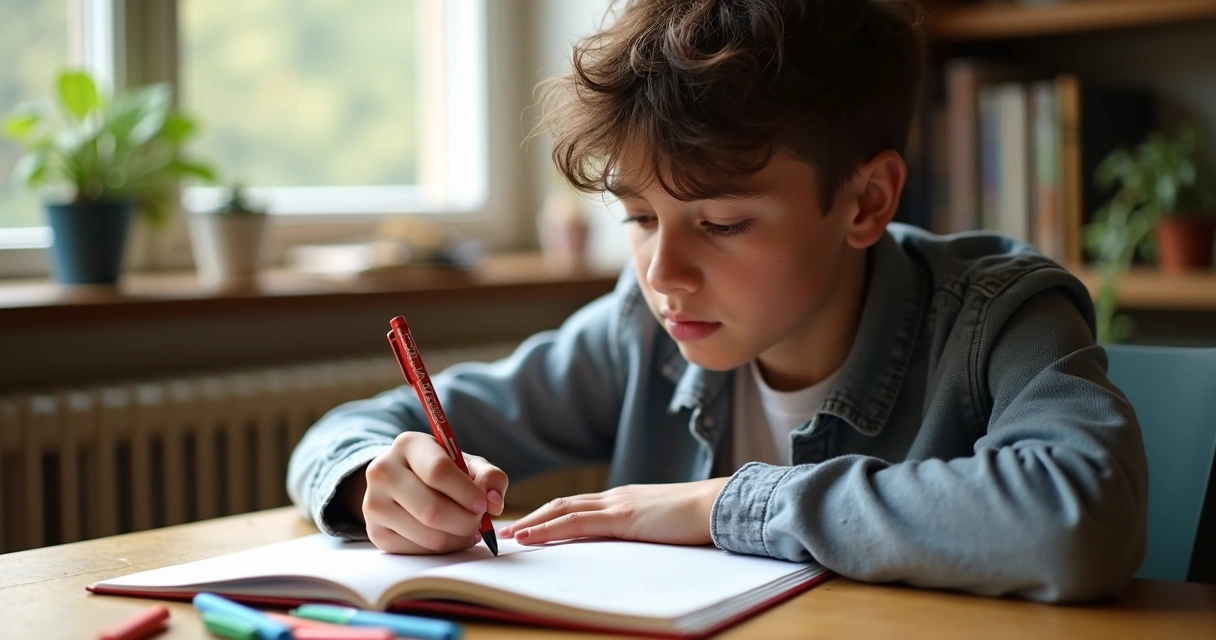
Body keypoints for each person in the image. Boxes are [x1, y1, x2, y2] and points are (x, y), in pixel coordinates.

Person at [288, 0, 1147, 603]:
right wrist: (382, 480)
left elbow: (1076, 521)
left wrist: (721, 506)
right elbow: (354, 425)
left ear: (866, 202)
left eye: (724, 222)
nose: (663, 272)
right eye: (635, 215)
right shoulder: (640, 327)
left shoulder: (1000, 313)